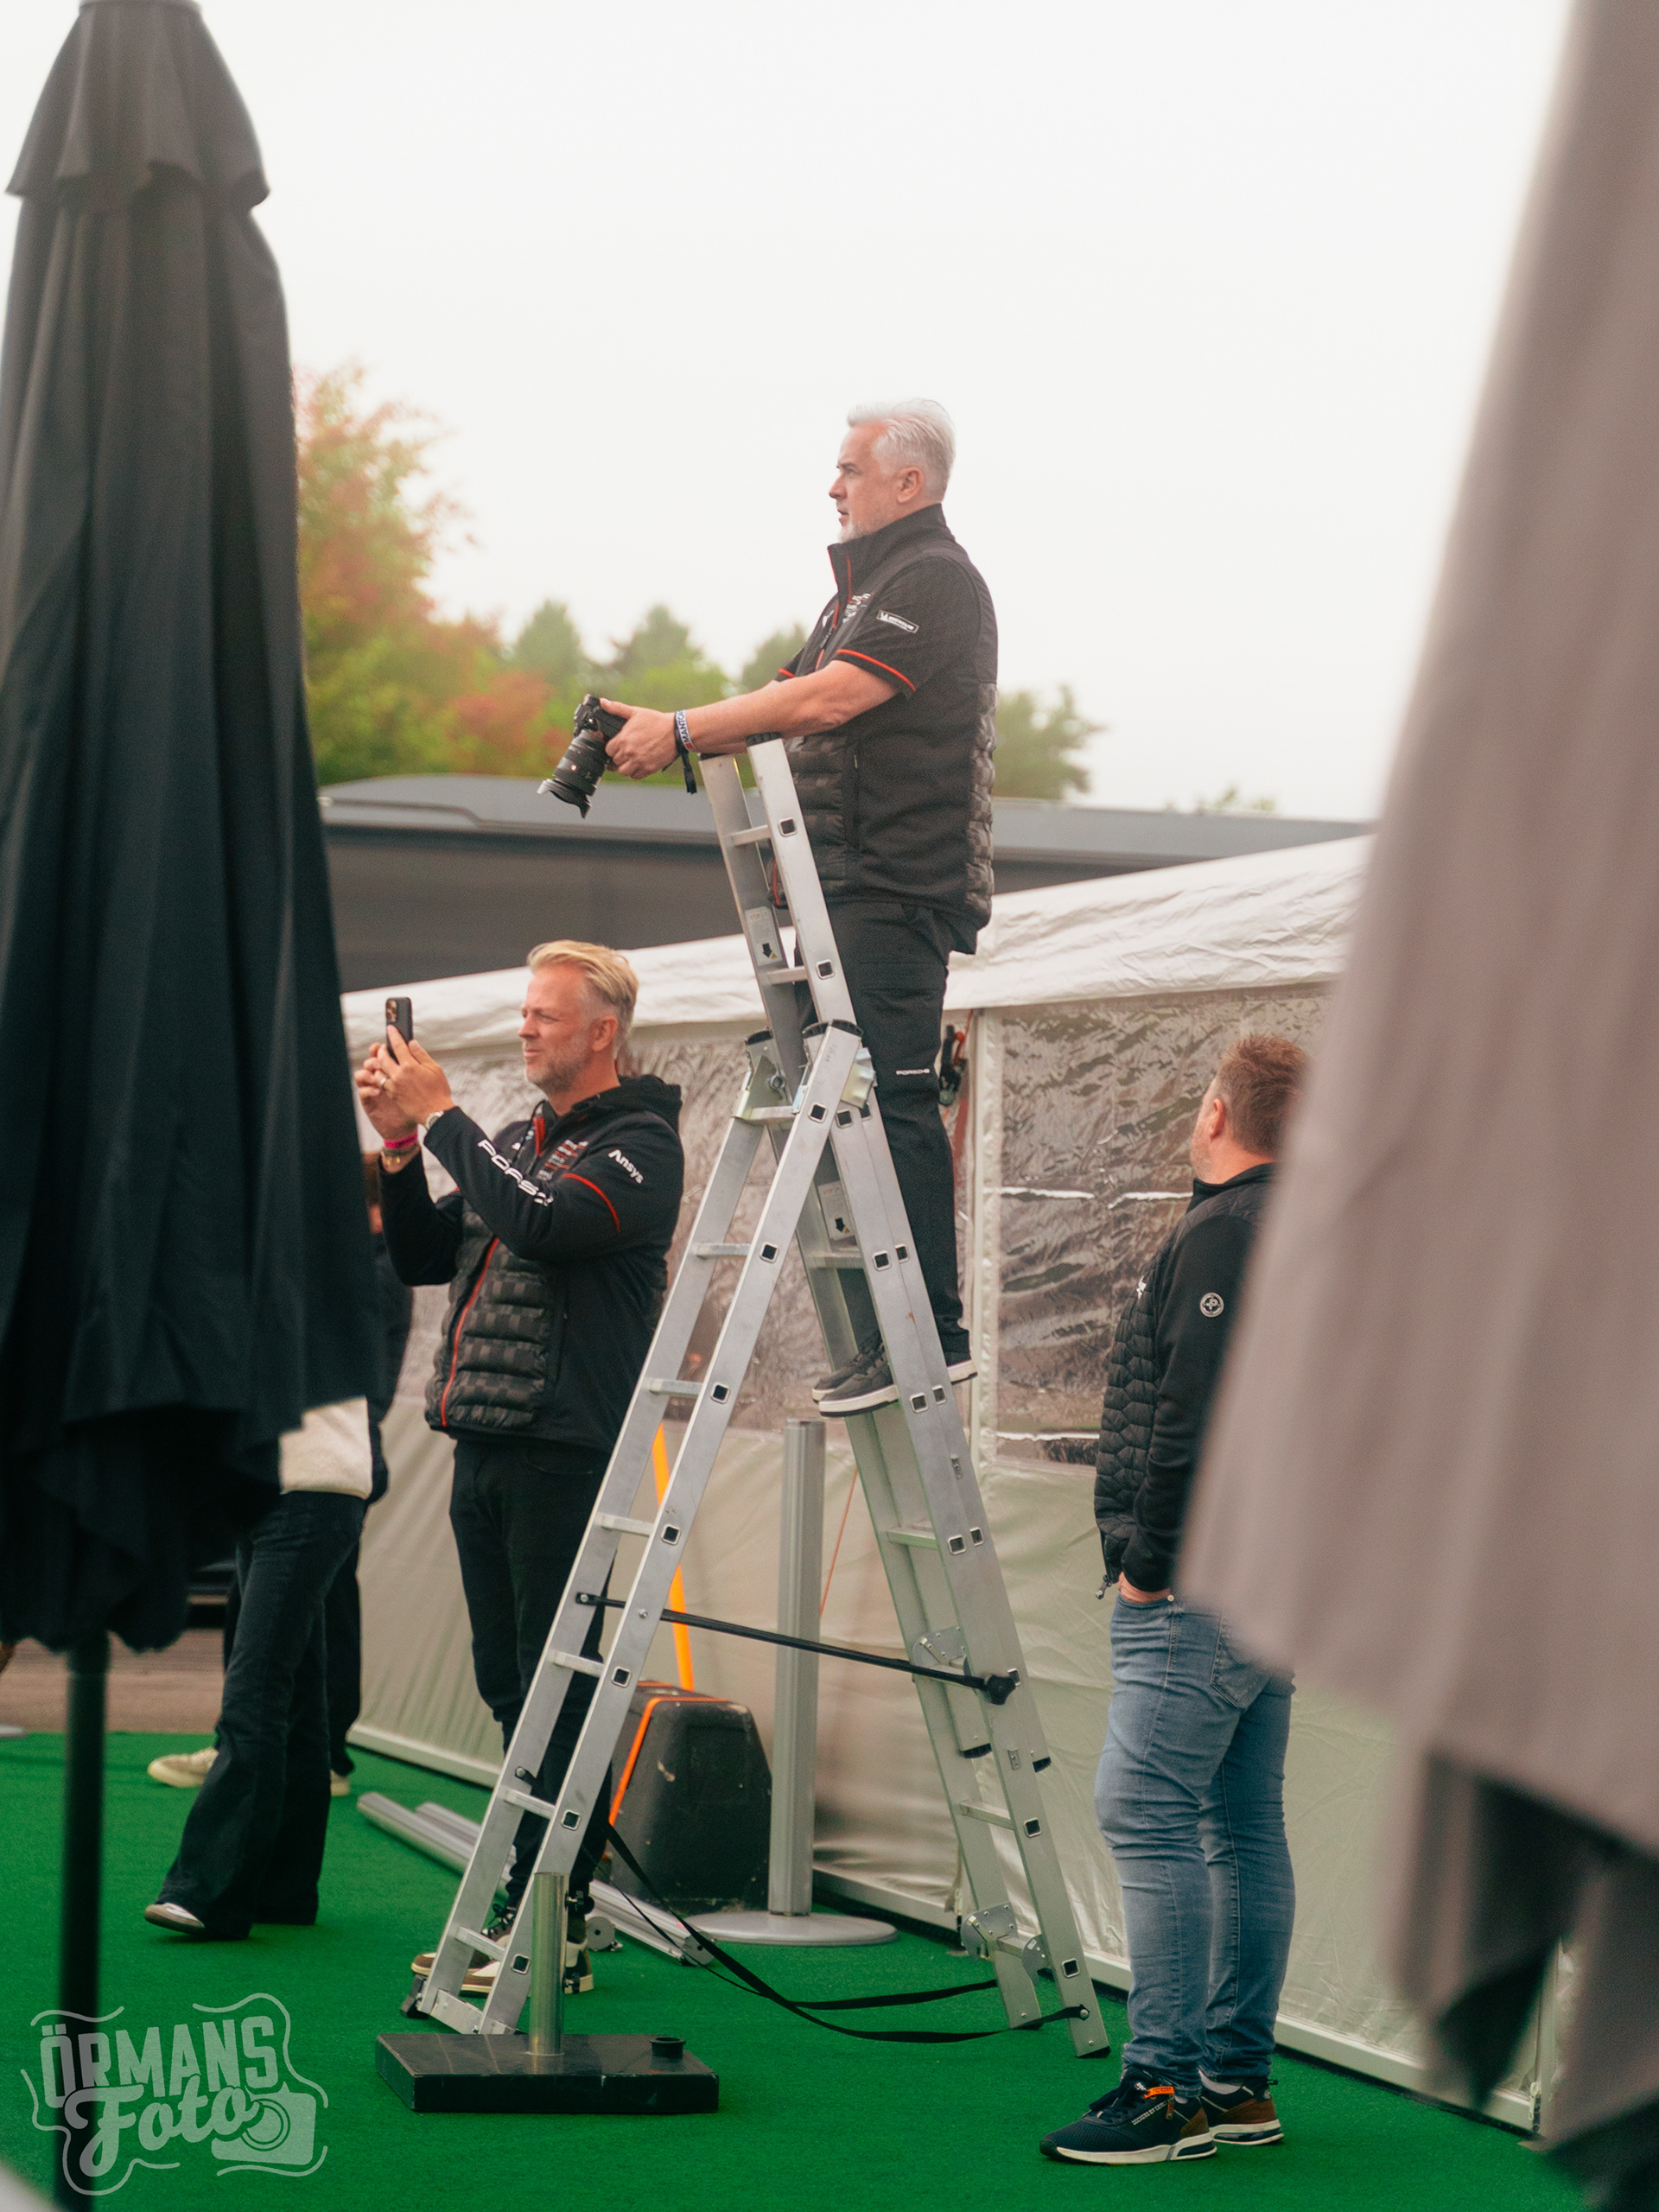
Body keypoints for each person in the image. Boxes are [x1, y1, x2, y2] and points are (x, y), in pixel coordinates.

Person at [602, 398, 994, 1415]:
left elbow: (828, 701)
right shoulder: (856, 598)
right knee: (845, 1103)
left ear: (908, 482)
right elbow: (775, 707)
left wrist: (680, 729)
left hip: (891, 882)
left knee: (889, 1097)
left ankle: (929, 1335)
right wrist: (665, 725)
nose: (833, 486)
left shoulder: (935, 579)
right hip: (837, 885)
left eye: (849, 468)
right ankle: (884, 1334)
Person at [355, 941, 683, 1990]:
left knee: (556, 1683)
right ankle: (538, 1896)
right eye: (527, 1010)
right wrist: (400, 1146)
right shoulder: (515, 1139)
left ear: (603, 1031)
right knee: (509, 1681)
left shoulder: (641, 1144)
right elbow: (421, 1256)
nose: (527, 1026)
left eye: (547, 1013)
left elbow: (542, 1224)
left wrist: (442, 1117)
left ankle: (555, 1917)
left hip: (563, 1448)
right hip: (486, 1439)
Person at [1040, 1034, 1308, 2167]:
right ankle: (1235, 2084)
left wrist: (1149, 1564)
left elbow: (1194, 1417)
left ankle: (1165, 2089)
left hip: (1200, 1583)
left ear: (1216, 1113)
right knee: (1241, 1825)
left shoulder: (1227, 1231)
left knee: (1148, 1813)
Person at [146, 1155, 412, 1797]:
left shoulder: (370, 1274)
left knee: (314, 1623)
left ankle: (324, 1757)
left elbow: (345, 1373)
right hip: (297, 1469)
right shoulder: (344, 1267)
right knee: (276, 1626)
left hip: (328, 1471)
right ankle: (278, 1752)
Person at [145, 1401, 372, 1938]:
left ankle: (208, 1894)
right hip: (281, 1488)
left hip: (307, 1489)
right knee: (294, 1697)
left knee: (256, 1693)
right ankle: (282, 1890)